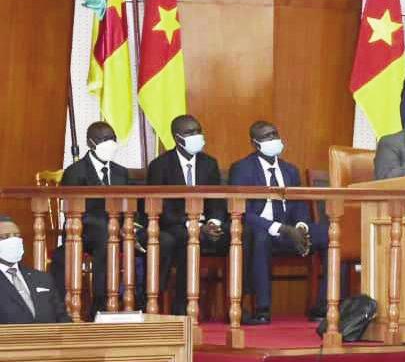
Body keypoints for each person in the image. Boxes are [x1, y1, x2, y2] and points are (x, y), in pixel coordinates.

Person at [228, 121, 327, 325]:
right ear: (255, 144)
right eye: (267, 137)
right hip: (262, 231)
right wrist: (281, 228)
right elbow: (242, 212)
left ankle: (324, 305)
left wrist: (301, 227)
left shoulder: (290, 170)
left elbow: (299, 205)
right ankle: (262, 309)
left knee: (330, 234)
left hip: (290, 231)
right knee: (260, 237)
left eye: (275, 135)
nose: (273, 140)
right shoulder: (242, 168)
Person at [49, 121, 141, 315]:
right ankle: (101, 304)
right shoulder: (75, 172)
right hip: (84, 231)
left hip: (116, 231)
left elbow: (131, 205)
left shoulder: (120, 172)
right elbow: (74, 211)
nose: (109, 144)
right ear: (91, 143)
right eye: (103, 139)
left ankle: (136, 303)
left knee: (144, 240)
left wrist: (130, 226)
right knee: (105, 236)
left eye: (112, 139)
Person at [146, 114, 229, 315]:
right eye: (190, 132)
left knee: (242, 236)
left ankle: (239, 305)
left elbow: (217, 200)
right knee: (187, 239)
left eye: (198, 131)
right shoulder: (160, 165)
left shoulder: (209, 163)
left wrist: (214, 222)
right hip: (176, 226)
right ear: (177, 138)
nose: (197, 136)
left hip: (207, 225)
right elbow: (161, 209)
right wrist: (194, 226)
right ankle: (181, 306)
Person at [0, 214, 70, 324]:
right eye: (5, 237)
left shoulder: (42, 279)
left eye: (17, 236)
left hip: (47, 339)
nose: (13, 241)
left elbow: (62, 318)